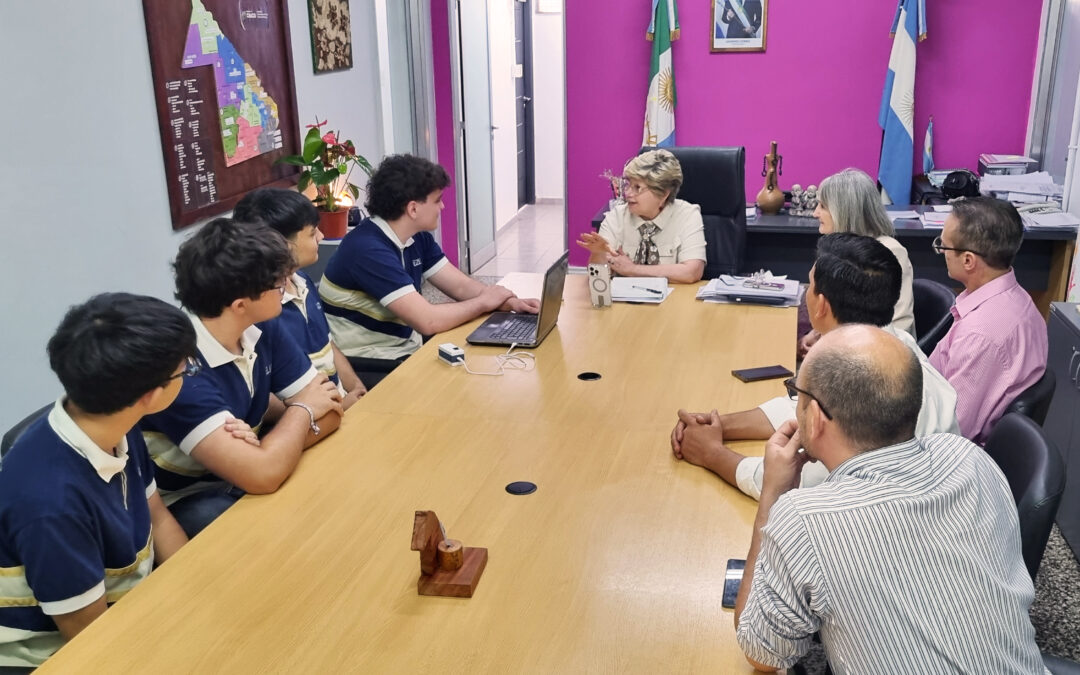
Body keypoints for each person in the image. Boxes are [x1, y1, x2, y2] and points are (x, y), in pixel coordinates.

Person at [733, 325, 1043, 673]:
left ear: (816, 418)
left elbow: (761, 653)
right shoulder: (967, 458)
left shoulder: (805, 521)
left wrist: (773, 496)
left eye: (797, 394)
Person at [671, 234, 957, 499]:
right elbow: (804, 408)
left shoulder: (855, 382)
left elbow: (794, 485)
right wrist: (718, 425)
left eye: (809, 284)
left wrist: (712, 453)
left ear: (820, 305)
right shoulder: (896, 344)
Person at [0, 294, 192, 667]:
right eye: (186, 369)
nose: (188, 373)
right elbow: (91, 640)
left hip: (129, 606)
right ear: (150, 396)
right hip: (55, 653)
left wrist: (194, 590)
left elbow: (158, 516)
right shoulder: (50, 505)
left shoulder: (115, 421)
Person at [141, 218, 344, 537]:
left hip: (240, 476)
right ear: (239, 305)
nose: (286, 288)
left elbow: (332, 407)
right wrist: (301, 412)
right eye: (278, 285)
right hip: (182, 504)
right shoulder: (180, 367)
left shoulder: (262, 323)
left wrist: (267, 454)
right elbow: (262, 474)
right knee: (282, 525)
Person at [319, 154, 539, 382]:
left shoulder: (416, 236)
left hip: (404, 349)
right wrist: (485, 302)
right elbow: (428, 320)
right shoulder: (367, 249)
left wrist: (509, 302)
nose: (442, 206)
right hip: (370, 364)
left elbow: (461, 287)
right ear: (413, 209)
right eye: (437, 200)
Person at [233, 187, 367, 408]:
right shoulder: (260, 309)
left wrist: (356, 389)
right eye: (313, 233)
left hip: (338, 403)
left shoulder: (303, 281)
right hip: (310, 416)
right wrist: (340, 407)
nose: (322, 237)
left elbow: (328, 344)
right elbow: (263, 394)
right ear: (281, 245)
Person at [929, 196, 1048, 444]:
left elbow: (948, 432)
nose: (940, 251)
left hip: (950, 458)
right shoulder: (1018, 299)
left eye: (944, 245)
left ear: (968, 260)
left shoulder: (981, 336)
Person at [800, 168, 915, 356]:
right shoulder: (838, 250)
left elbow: (899, 327)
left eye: (822, 206)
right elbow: (842, 309)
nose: (815, 213)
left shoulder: (888, 253)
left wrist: (830, 343)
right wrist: (818, 333)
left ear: (844, 211)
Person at [577, 149, 706, 283]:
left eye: (637, 187)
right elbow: (597, 277)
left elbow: (692, 272)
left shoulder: (687, 215)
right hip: (624, 300)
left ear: (663, 194)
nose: (628, 193)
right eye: (627, 185)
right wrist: (598, 254)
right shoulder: (616, 216)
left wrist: (632, 269)